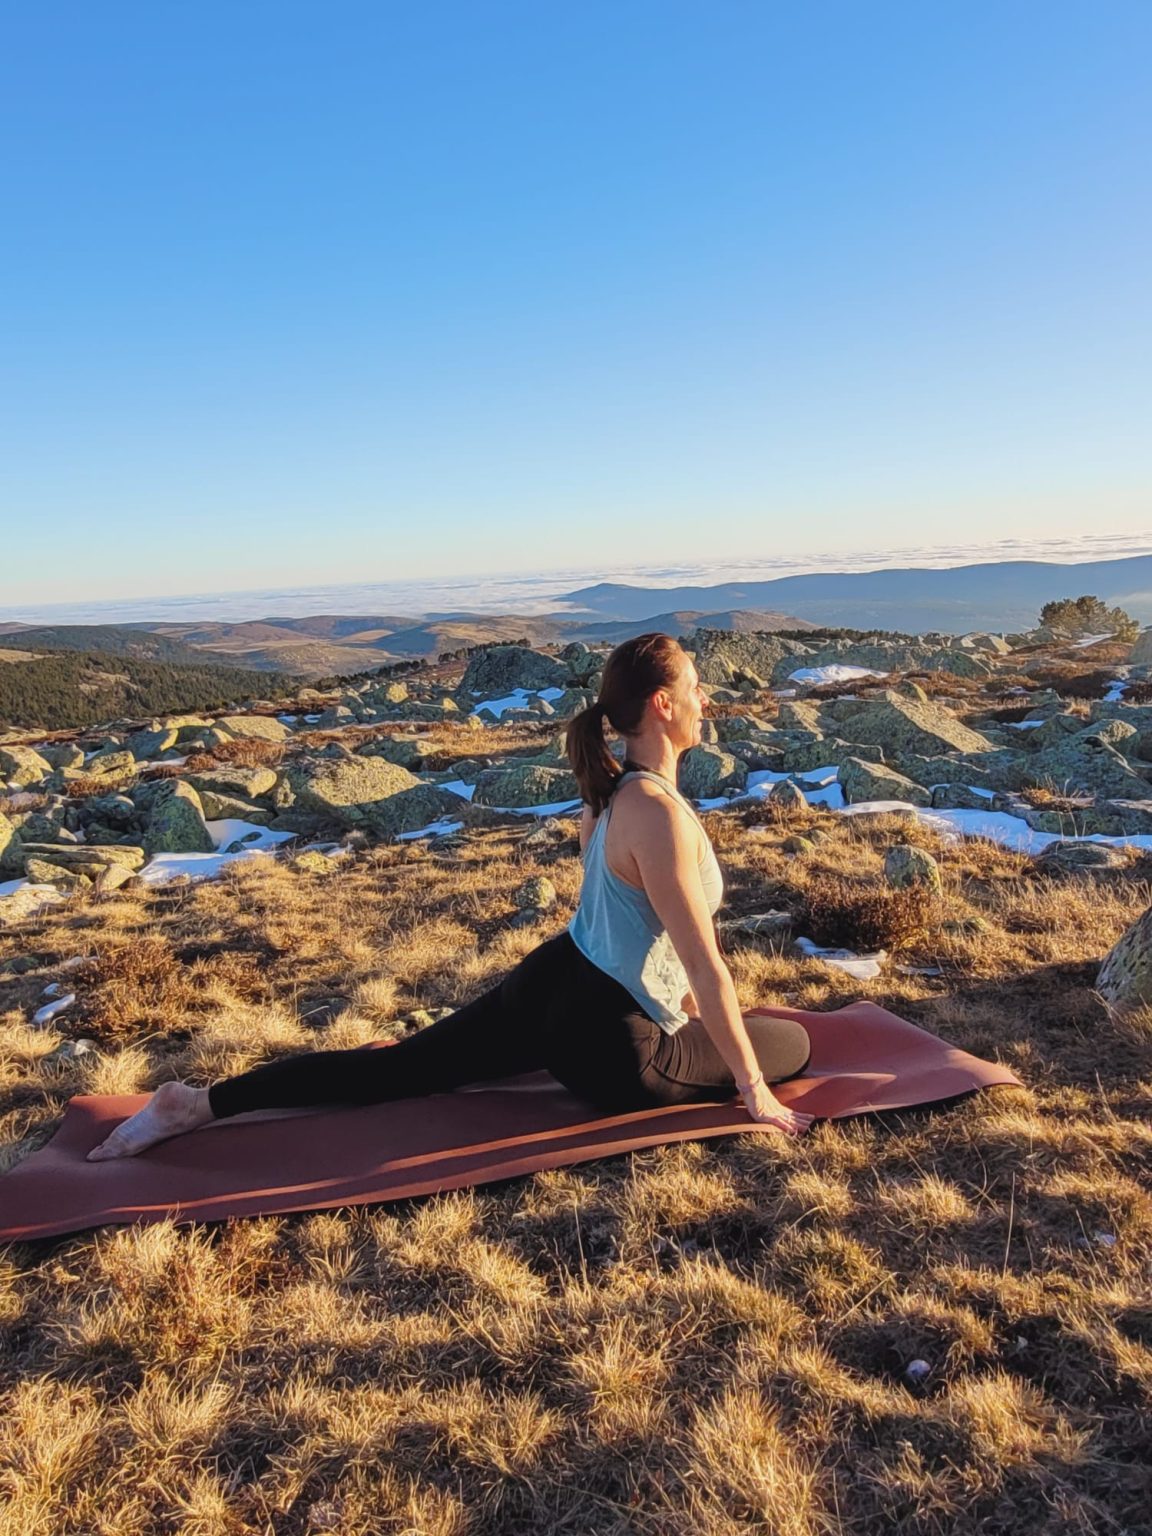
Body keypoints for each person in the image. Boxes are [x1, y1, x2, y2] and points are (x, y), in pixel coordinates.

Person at [87, 633, 813, 1162]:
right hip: (614, 1047)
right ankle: (198, 1106)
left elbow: (628, 924)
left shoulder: (614, 790)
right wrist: (754, 1090)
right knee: (795, 1042)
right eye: (693, 686)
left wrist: (681, 1001)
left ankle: (197, 1104)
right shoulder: (655, 811)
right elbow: (703, 961)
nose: (704, 698)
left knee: (398, 1068)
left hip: (552, 982)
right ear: (663, 704)